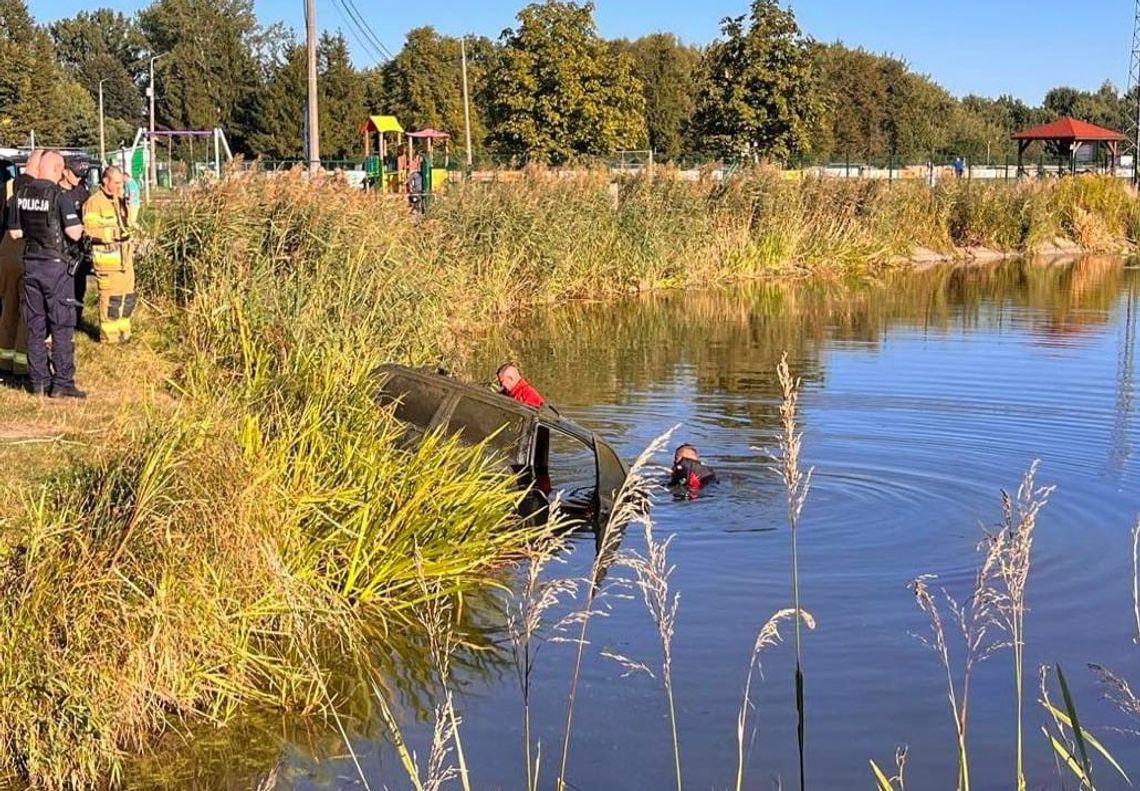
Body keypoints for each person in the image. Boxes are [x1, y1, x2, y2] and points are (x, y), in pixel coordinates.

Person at [10, 150, 85, 398]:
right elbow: (74, 232)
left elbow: (15, 234)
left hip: (31, 265)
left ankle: (39, 382)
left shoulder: (20, 194)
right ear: (56, 169)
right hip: (56, 266)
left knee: (35, 326)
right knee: (61, 324)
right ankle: (62, 382)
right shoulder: (59, 196)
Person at [0, 149, 41, 379]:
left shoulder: (10, 186)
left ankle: (4, 362)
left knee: (7, 309)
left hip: (6, 250)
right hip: (26, 251)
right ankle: (23, 364)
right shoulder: (40, 191)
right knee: (28, 311)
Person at [83, 166, 134, 344]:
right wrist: (112, 235)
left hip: (125, 260)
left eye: (122, 183)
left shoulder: (119, 200)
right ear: (106, 181)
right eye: (117, 183)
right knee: (110, 300)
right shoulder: (94, 202)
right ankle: (109, 337)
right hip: (107, 260)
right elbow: (89, 230)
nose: (120, 186)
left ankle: (124, 334)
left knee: (127, 297)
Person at [61, 158, 92, 325]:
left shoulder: (81, 191)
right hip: (62, 247)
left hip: (78, 248)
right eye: (75, 175)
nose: (78, 179)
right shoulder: (57, 192)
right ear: (65, 171)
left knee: (80, 285)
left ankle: (77, 319)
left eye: (81, 176)